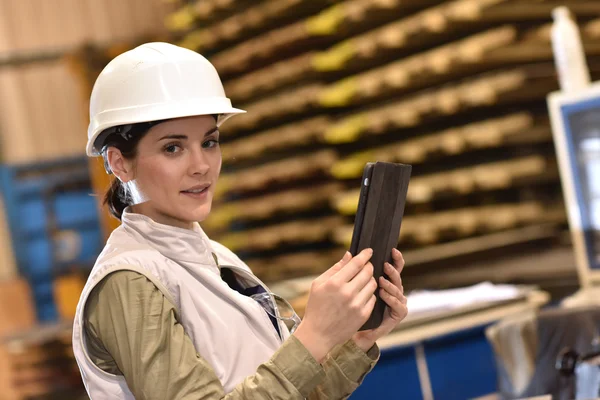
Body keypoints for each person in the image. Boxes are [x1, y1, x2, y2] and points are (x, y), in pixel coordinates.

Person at [72, 42, 408, 400]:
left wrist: (356, 338)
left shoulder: (217, 260)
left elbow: (293, 393)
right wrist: (315, 336)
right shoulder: (129, 282)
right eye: (173, 147)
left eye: (210, 142)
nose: (201, 165)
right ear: (120, 162)